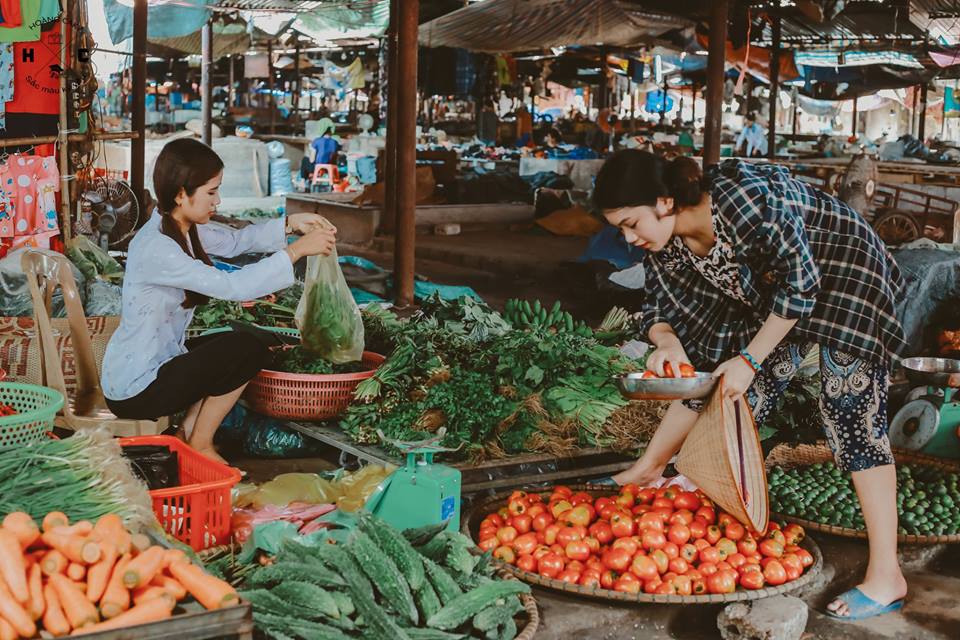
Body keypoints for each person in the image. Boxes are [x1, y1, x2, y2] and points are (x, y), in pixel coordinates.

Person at [593, 150, 907, 621]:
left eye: (631, 222)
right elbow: (658, 308)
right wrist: (670, 345)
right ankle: (648, 469)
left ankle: (888, 575)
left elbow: (802, 285)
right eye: (620, 228)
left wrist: (751, 357)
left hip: (846, 278)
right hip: (773, 296)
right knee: (728, 390)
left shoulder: (743, 200)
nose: (628, 237)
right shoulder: (669, 244)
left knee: (849, 408)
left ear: (664, 201)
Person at [101, 138, 337, 465]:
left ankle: (187, 433)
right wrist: (296, 251)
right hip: (136, 390)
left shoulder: (178, 226)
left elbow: (236, 241)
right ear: (181, 194)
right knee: (246, 349)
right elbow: (233, 285)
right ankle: (201, 442)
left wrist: (290, 225)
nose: (218, 201)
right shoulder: (160, 247)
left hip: (149, 365)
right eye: (211, 192)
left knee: (230, 342)